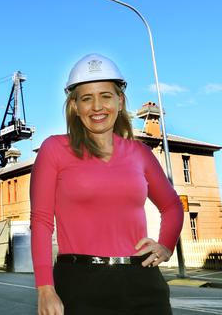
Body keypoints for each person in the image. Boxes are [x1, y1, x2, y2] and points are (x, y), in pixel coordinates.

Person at [30, 53, 184, 315]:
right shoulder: (54, 149)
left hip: (142, 281)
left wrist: (166, 245)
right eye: (86, 98)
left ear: (120, 101)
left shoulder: (140, 153)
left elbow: (172, 206)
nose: (97, 107)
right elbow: (42, 221)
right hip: (79, 284)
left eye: (106, 96)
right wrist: (45, 288)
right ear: (75, 106)